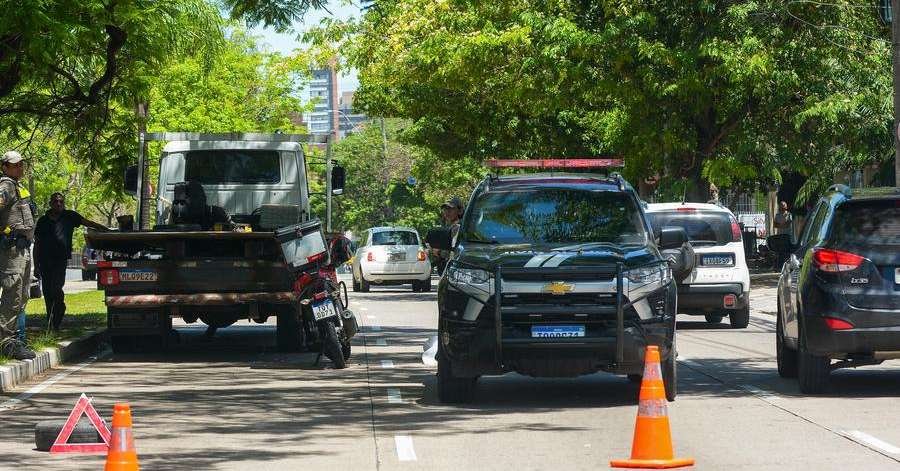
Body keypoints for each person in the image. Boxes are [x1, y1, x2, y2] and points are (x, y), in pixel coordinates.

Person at [33, 192, 108, 331]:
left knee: (56, 289)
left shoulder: (69, 216)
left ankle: (59, 311)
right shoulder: (43, 221)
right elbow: (37, 243)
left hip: (60, 260)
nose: (59, 204)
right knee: (48, 292)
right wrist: (36, 265)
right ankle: (52, 322)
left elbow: (87, 222)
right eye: (56, 202)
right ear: (50, 203)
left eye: (61, 202)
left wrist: (105, 229)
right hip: (44, 261)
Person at [0, 150, 37, 360]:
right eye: (14, 165)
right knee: (12, 294)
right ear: (4, 166)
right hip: (11, 249)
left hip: (22, 248)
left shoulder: (16, 186)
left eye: (21, 164)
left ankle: (12, 339)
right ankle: (7, 343)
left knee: (22, 295)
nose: (19, 168)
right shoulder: (5, 186)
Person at [432, 197, 464, 274]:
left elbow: (453, 251)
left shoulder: (458, 227)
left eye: (451, 209)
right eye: (445, 209)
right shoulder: (448, 227)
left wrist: (438, 252)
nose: (447, 212)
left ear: (460, 211)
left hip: (454, 270)